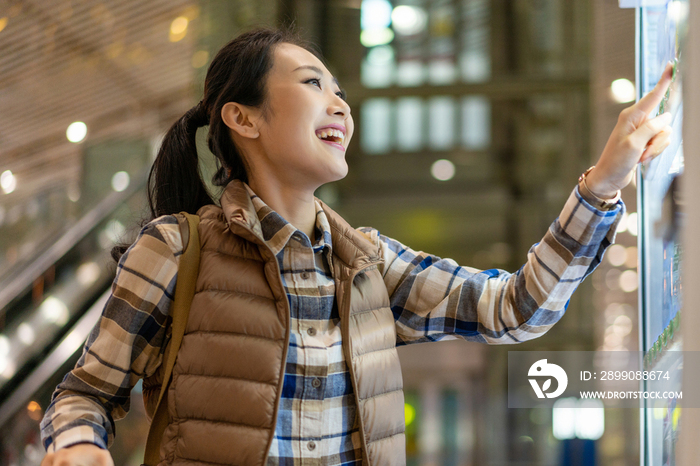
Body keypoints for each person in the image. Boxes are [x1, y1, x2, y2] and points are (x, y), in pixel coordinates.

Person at [39, 28, 673, 466]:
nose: (340, 103)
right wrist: (75, 445)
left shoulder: (368, 265)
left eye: (340, 90)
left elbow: (517, 309)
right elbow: (86, 392)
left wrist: (602, 184)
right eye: (314, 83)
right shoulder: (177, 250)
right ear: (243, 118)